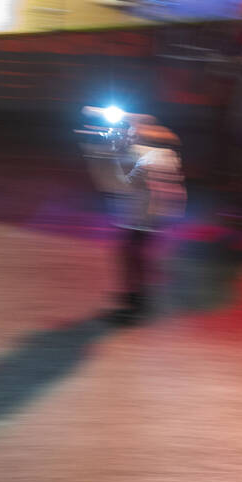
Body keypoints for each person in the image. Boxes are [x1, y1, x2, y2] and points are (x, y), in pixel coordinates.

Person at [80, 109, 185, 323]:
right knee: (134, 256)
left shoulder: (142, 155)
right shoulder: (158, 151)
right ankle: (137, 298)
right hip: (149, 214)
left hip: (144, 216)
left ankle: (135, 304)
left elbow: (115, 183)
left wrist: (100, 150)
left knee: (131, 256)